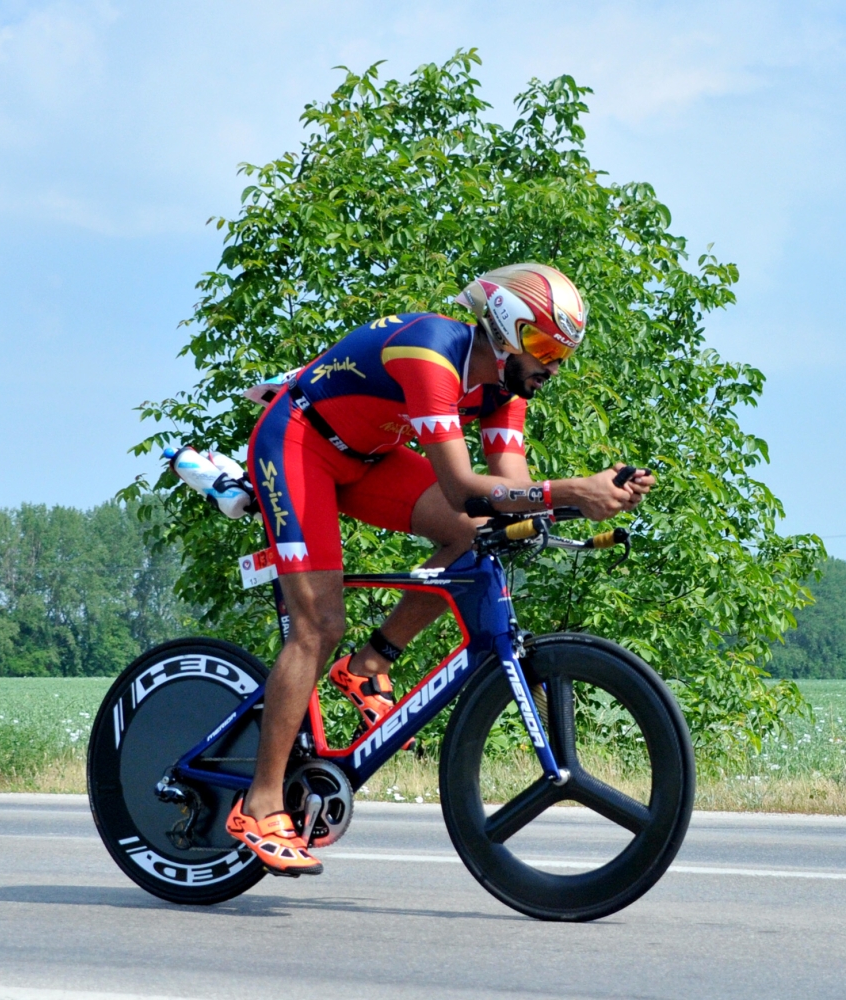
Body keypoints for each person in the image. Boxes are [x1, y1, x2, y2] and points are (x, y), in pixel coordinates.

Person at [225, 262, 654, 875]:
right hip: (298, 444)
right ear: (504, 328)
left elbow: (509, 493)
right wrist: (572, 492)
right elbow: (460, 488)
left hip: (369, 456)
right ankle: (260, 803)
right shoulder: (432, 352)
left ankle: (372, 663)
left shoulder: (507, 390)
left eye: (562, 352)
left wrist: (582, 498)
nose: (552, 365)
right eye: (543, 345)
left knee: (485, 534)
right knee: (319, 626)